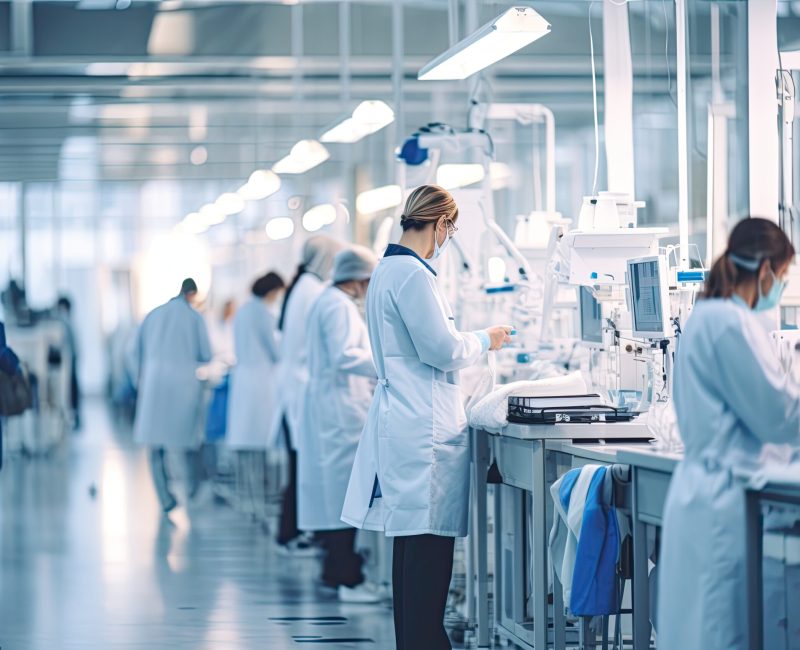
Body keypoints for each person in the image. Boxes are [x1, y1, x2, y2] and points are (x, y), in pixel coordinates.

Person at [341, 185, 512, 649]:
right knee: (427, 558)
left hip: (408, 421)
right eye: (450, 230)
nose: (448, 239)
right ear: (440, 224)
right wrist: (486, 338)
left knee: (412, 556)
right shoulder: (413, 276)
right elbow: (442, 349)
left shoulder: (388, 270)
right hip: (424, 430)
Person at [658, 217, 800, 650]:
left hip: (702, 494)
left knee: (701, 630)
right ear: (765, 272)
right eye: (784, 277)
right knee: (722, 630)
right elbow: (776, 415)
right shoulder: (730, 323)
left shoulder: (707, 316)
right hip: (723, 501)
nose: (782, 287)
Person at [297, 245, 380, 603]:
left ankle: (338, 570)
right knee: (343, 493)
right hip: (339, 407)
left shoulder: (330, 301)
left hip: (333, 404)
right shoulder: (338, 306)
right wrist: (389, 366)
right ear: (360, 279)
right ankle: (345, 577)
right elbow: (345, 355)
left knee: (335, 491)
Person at [270, 234, 345, 555]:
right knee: (307, 466)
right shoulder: (314, 291)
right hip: (304, 388)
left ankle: (293, 532)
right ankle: (296, 533)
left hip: (294, 388)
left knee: (301, 464)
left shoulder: (300, 288)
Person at [132, 278, 212, 514]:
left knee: (156, 447)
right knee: (188, 442)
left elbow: (133, 352)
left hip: (154, 386)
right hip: (183, 386)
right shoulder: (194, 318)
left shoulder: (153, 315)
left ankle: (165, 498)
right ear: (192, 295)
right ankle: (192, 492)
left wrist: (141, 379)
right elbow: (206, 354)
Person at [227, 272, 284, 523]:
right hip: (261, 383)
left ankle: (248, 500)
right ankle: (260, 502)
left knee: (246, 445)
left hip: (243, 380)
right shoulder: (263, 313)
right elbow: (276, 350)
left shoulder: (242, 311)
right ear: (272, 291)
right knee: (261, 444)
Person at [56, 296, 81, 430]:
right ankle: (74, 417)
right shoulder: (67, 322)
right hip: (70, 359)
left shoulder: (65, 322)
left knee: (72, 389)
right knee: (72, 389)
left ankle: (75, 417)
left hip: (70, 359)